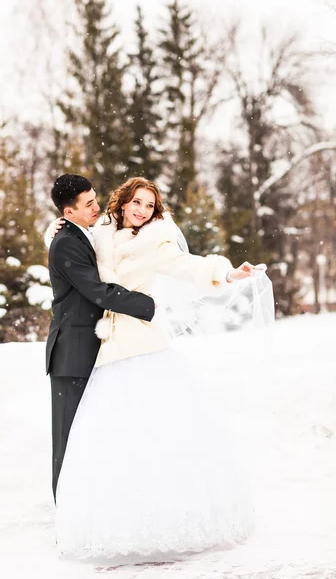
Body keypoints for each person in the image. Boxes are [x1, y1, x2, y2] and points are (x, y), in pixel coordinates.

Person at [46, 176, 270, 561]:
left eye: (149, 206)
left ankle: (162, 515)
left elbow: (188, 265)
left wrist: (229, 273)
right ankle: (101, 515)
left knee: (153, 432)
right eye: (136, 202)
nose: (142, 211)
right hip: (107, 347)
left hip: (141, 342)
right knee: (106, 437)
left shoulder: (156, 240)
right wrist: (54, 229)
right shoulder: (100, 231)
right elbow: (78, 255)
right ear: (123, 201)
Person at [46, 174, 155, 500]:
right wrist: (146, 304)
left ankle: (89, 508)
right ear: (69, 212)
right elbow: (98, 291)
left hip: (93, 350)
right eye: (88, 204)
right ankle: (66, 512)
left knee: (90, 437)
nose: (96, 207)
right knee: (68, 439)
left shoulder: (81, 233)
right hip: (71, 355)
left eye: (95, 198)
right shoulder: (66, 241)